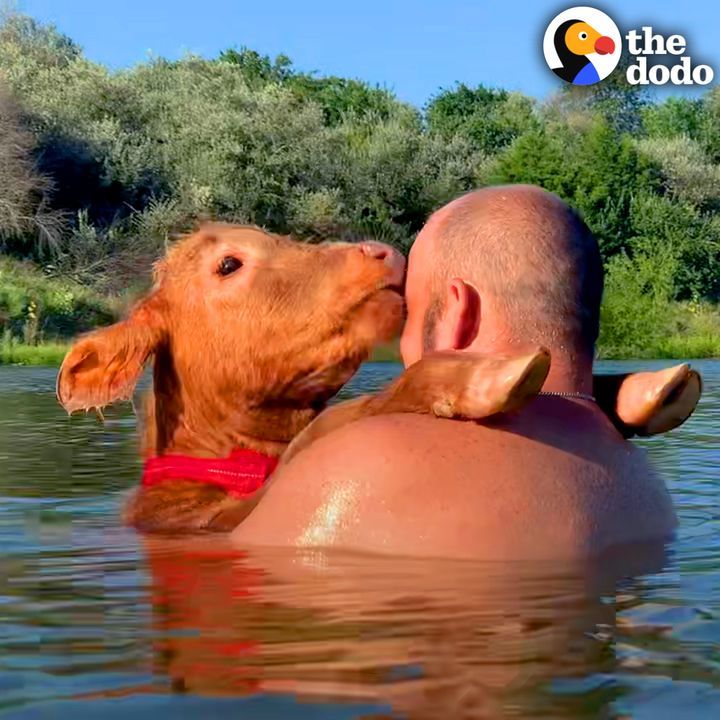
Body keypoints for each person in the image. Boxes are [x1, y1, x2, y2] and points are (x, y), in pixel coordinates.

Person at [232, 185, 677, 559]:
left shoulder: (365, 463)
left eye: (410, 311)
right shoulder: (649, 490)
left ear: (457, 313)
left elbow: (227, 595)